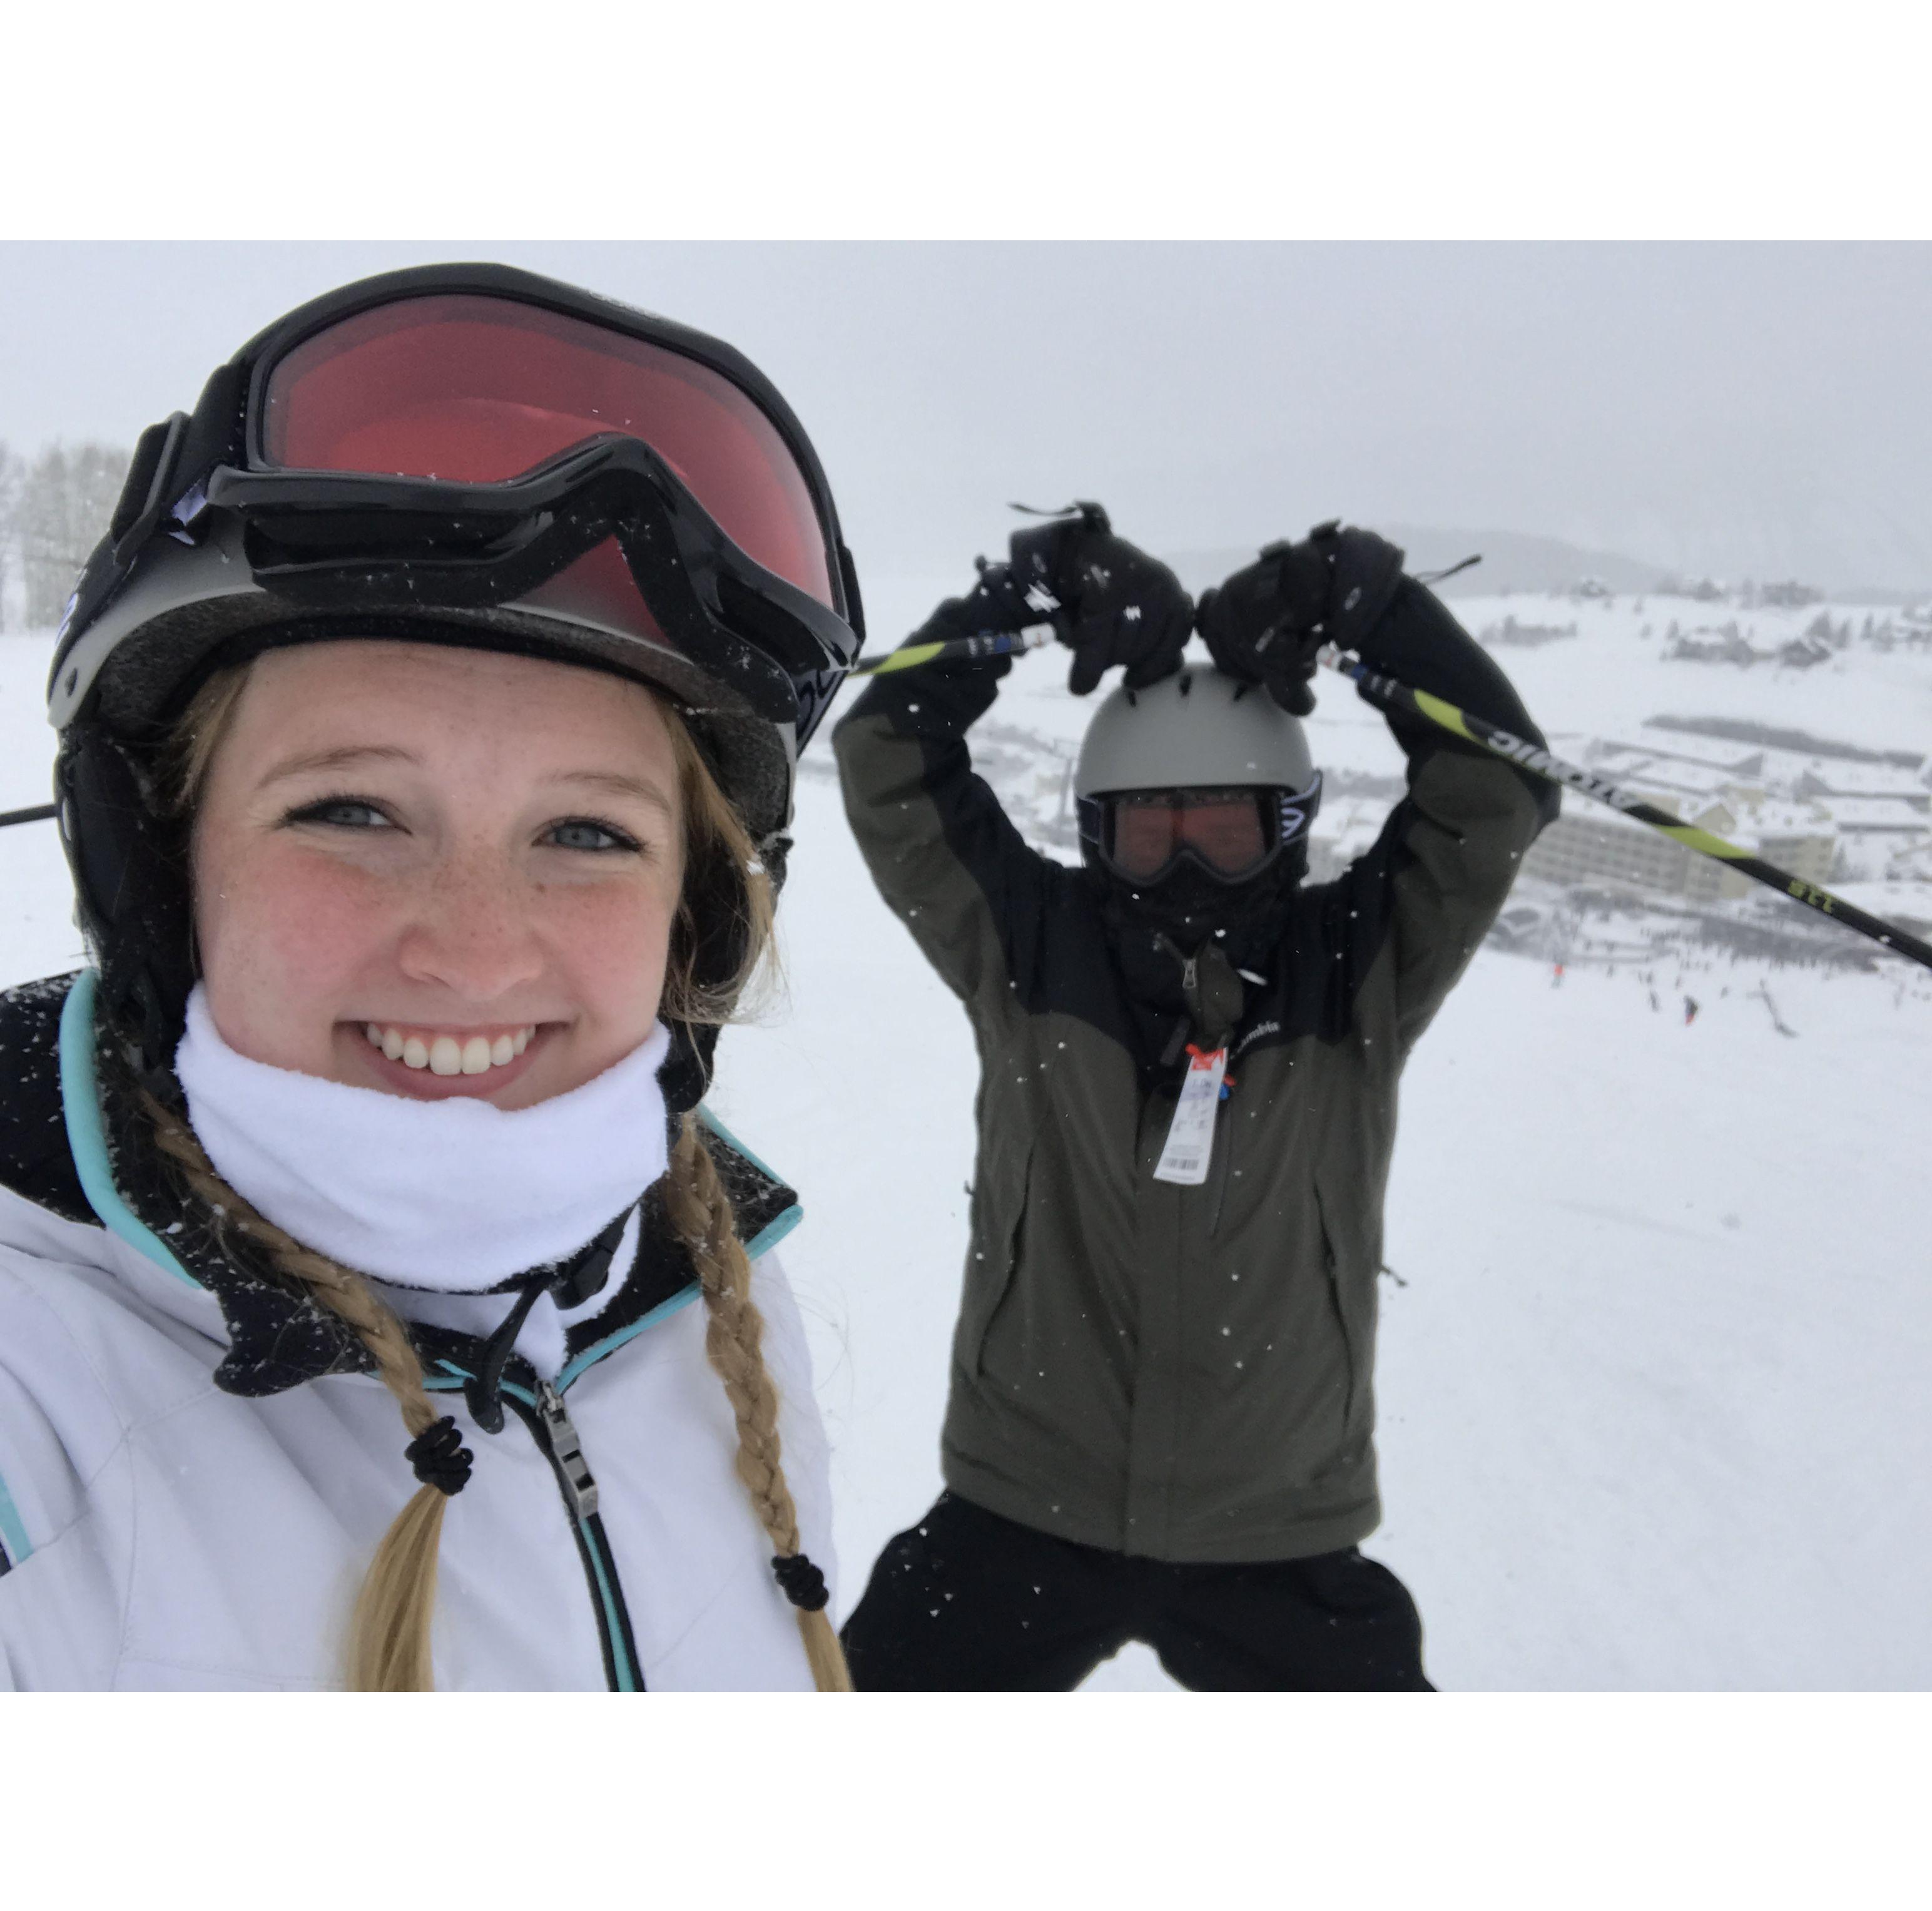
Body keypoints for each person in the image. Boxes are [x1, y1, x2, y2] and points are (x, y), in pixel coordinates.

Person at [0, 263, 865, 1691]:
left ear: (690, 920)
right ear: (159, 870)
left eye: (586, 832)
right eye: (350, 811)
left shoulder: (716, 1304)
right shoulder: (38, 1388)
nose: (472, 947)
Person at [832, 509, 1558, 1690]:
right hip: (1027, 1499)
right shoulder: (1027, 946)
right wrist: (1026, 594)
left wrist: (1370, 611)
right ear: (1092, 834)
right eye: (1146, 831)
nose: (1182, 866)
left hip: (1274, 1530)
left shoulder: (1357, 968)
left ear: (1287, 830)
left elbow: (1495, 789)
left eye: (1222, 830)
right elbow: (888, 759)